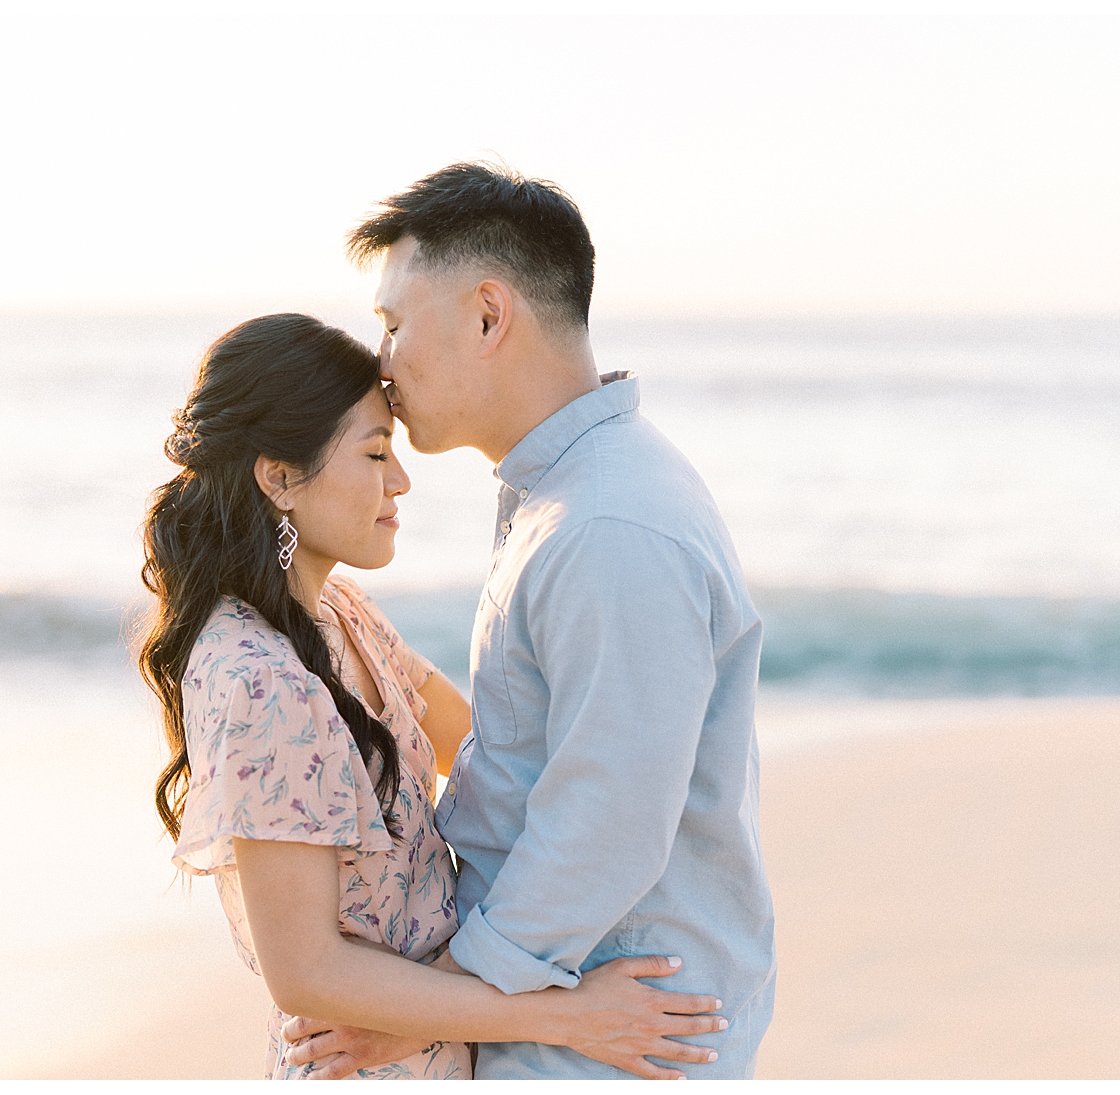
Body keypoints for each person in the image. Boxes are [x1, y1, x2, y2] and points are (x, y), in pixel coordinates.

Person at [138, 313, 729, 1080]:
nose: (402, 478)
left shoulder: (342, 614)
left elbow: (487, 747)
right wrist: (565, 1013)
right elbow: (307, 973)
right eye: (375, 451)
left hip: (433, 1050)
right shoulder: (259, 679)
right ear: (278, 475)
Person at [282, 164, 777, 1079]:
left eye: (393, 323)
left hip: (607, 1033)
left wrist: (429, 1005)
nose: (379, 361)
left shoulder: (609, 525)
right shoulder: (573, 493)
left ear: (486, 315)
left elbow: (607, 822)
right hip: (562, 1013)